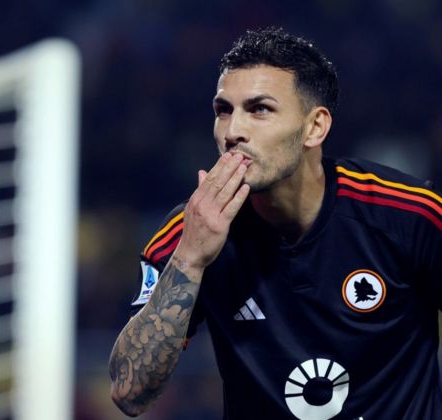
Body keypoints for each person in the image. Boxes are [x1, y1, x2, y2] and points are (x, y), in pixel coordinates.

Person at [108, 27, 442, 419]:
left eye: (260, 109)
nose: (233, 132)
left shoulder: (407, 213)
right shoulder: (189, 231)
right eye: (223, 110)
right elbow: (129, 393)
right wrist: (192, 259)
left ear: (315, 127)